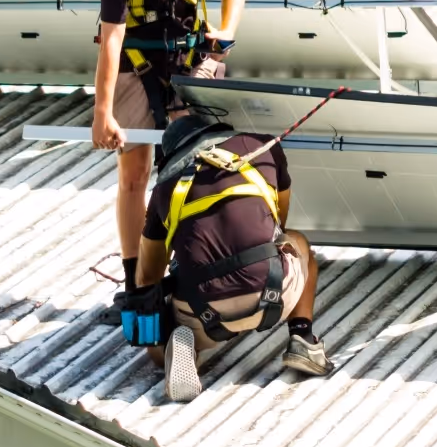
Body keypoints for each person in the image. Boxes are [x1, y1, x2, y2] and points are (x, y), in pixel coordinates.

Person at [91, 0, 246, 276]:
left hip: (190, 56)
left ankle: (199, 262)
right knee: (135, 172)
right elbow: (111, 40)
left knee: (199, 166)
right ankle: (136, 279)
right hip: (136, 59)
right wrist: (102, 113)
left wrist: (226, 32)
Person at [117, 114, 330, 402]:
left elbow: (148, 276)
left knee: (158, 341)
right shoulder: (263, 147)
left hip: (207, 314)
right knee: (298, 242)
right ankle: (302, 338)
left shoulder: (164, 191)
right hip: (274, 293)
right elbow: (278, 222)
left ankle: (181, 345)